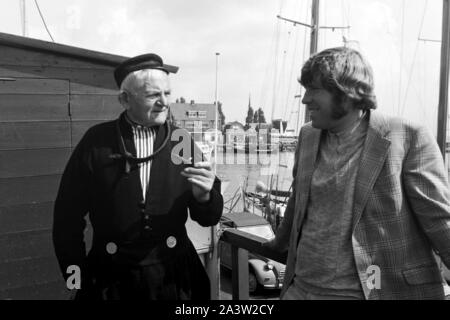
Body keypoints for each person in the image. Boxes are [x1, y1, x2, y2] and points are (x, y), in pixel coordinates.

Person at [265, 47, 450, 300]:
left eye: (314, 89)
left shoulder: (408, 137)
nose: (305, 99)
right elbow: (299, 199)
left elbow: (440, 222)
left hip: (371, 294)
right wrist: (280, 241)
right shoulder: (308, 135)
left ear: (347, 93)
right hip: (300, 290)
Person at [52, 53, 223, 300]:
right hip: (111, 281)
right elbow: (67, 219)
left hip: (174, 279)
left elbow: (209, 217)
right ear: (125, 99)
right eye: (153, 95)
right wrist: (75, 279)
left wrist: (205, 197)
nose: (164, 102)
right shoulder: (96, 142)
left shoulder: (180, 141)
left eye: (167, 93)